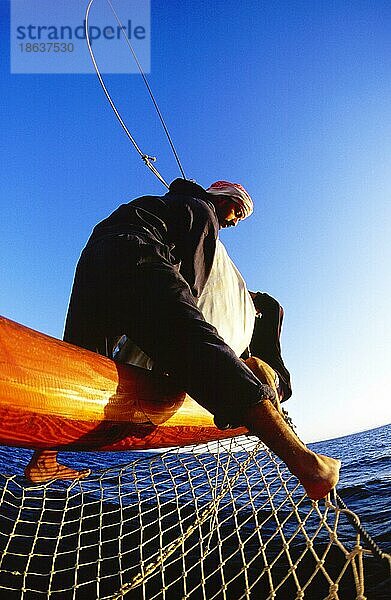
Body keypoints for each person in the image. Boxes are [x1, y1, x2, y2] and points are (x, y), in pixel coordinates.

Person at [25, 179, 340, 499]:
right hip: (137, 253)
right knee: (197, 346)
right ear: (228, 204)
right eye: (237, 215)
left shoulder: (164, 204)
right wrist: (173, 354)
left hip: (96, 254)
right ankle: (307, 465)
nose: (233, 222)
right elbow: (190, 285)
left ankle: (44, 459)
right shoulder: (202, 212)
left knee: (82, 362)